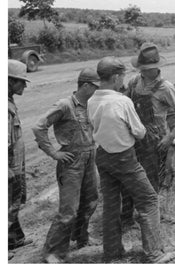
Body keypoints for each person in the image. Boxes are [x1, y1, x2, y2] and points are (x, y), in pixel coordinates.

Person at [87, 56, 175, 263]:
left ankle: (111, 252)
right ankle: (154, 252)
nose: (123, 81)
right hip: (124, 158)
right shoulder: (122, 101)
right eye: (122, 77)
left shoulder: (92, 99)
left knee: (110, 205)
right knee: (149, 199)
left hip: (102, 157)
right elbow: (140, 132)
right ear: (116, 77)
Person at [32, 68, 100, 263]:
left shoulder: (91, 104)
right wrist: (53, 152)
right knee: (68, 210)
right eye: (96, 86)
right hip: (72, 162)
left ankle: (81, 237)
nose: (98, 90)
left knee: (90, 201)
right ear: (86, 86)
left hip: (89, 156)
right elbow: (38, 126)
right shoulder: (65, 105)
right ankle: (51, 252)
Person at [125, 42, 175, 193]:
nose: (142, 71)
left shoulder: (165, 87)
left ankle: (152, 206)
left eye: (145, 68)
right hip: (134, 134)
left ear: (155, 67)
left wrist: (170, 137)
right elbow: (124, 101)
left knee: (151, 176)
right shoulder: (135, 81)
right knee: (133, 173)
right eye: (141, 68)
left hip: (154, 139)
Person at [8, 60, 33, 255]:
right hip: (9, 168)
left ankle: (15, 239)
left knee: (13, 202)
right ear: (9, 81)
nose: (24, 85)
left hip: (14, 165)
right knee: (8, 205)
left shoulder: (9, 102)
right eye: (21, 81)